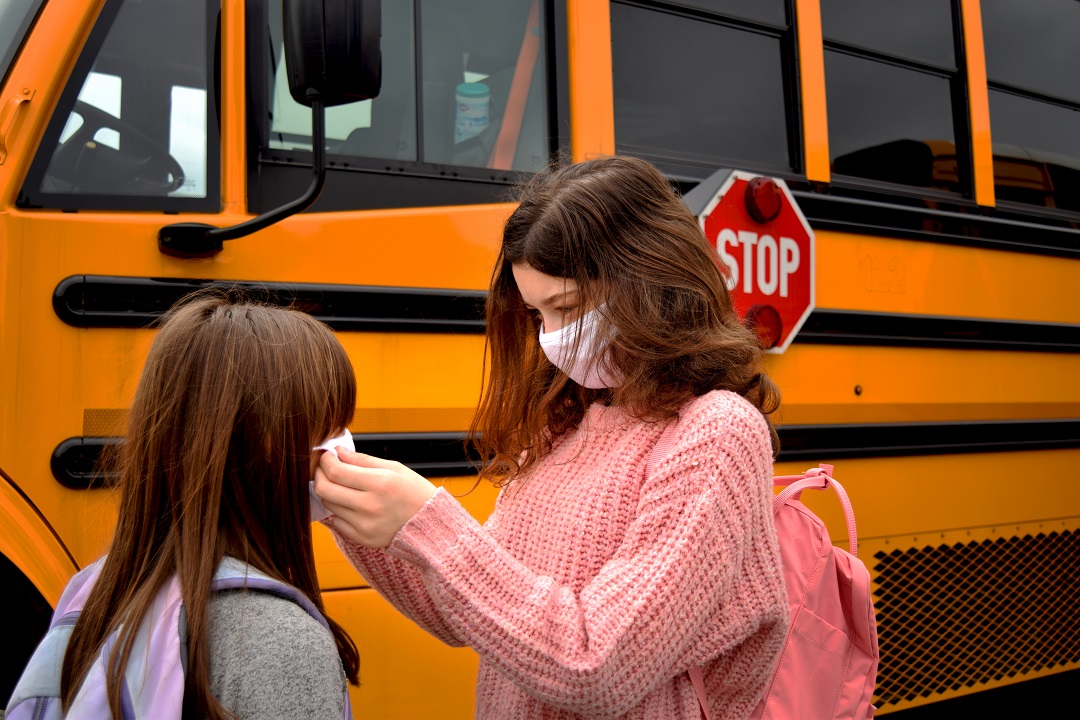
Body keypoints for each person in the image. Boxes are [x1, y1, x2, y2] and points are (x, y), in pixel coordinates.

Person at [315, 155, 789, 719]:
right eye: (539, 315)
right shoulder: (564, 427)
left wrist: (429, 524)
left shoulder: (717, 433)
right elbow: (469, 614)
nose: (553, 339)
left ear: (651, 279)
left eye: (567, 307)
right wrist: (344, 498)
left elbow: (597, 664)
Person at [6, 294, 359, 720]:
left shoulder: (96, 599)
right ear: (264, 449)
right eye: (330, 425)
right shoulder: (278, 642)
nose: (343, 448)